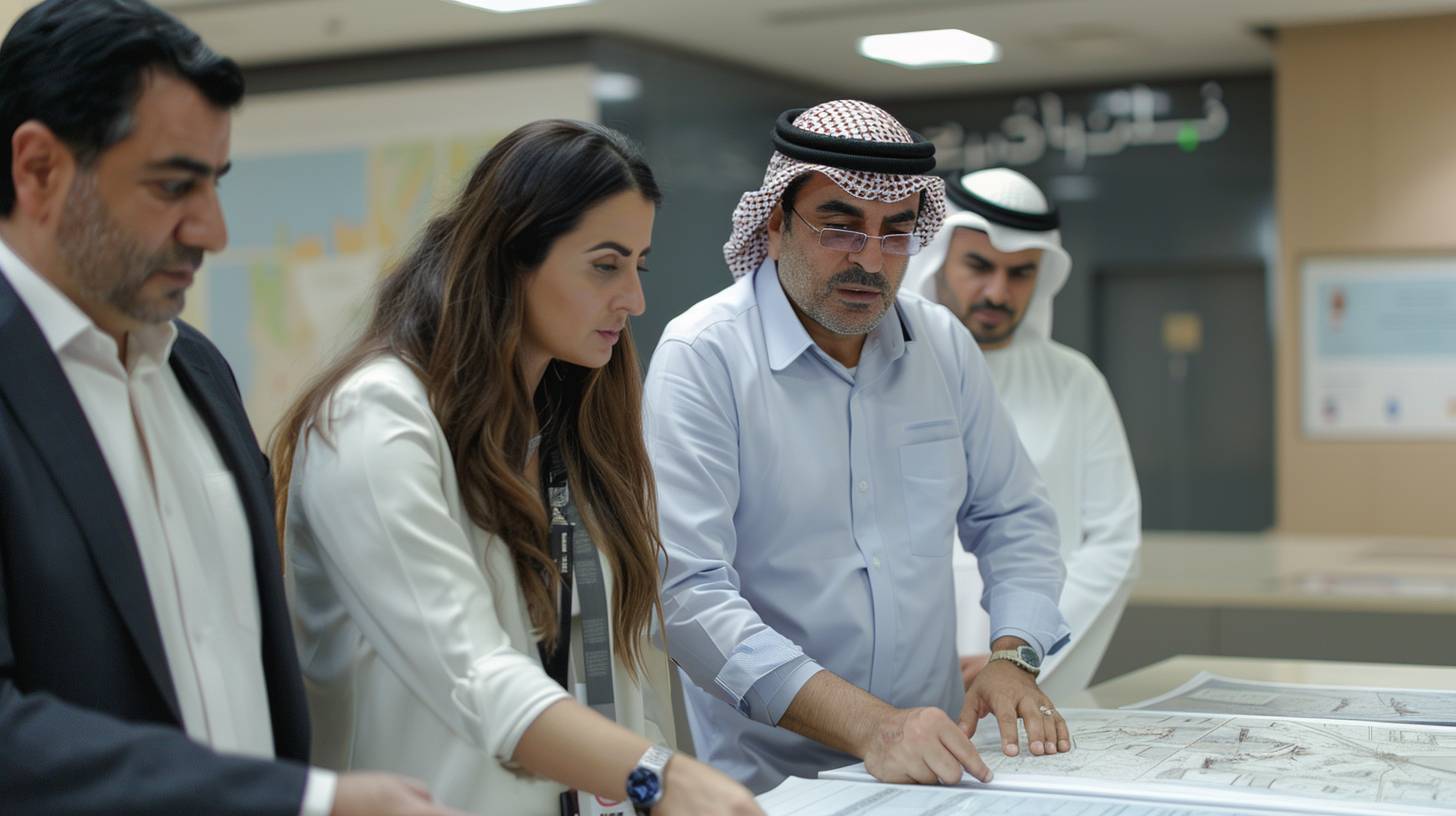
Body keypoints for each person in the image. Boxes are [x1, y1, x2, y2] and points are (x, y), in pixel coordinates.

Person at [0, 1, 459, 814]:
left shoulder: (198, 371)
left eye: (215, 183)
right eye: (173, 185)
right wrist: (299, 800)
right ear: (38, 170)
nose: (211, 229)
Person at [273, 119, 762, 816]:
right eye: (605, 265)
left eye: (639, 266)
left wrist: (650, 779)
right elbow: (472, 671)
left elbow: (617, 681)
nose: (634, 299)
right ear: (512, 256)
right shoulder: (376, 420)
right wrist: (660, 775)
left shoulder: (568, 426)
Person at [643, 100, 1073, 795]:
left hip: (935, 770)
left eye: (895, 233)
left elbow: (1013, 517)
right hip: (773, 786)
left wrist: (1013, 656)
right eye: (840, 227)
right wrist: (873, 727)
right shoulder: (705, 356)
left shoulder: (942, 346)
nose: (870, 260)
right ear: (776, 224)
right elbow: (685, 593)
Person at [902, 168, 1142, 700]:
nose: (998, 291)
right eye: (979, 266)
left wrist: (1021, 655)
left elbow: (1113, 544)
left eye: (1020, 273)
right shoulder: (883, 370)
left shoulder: (1074, 382)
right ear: (939, 257)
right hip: (893, 678)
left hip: (1029, 678)